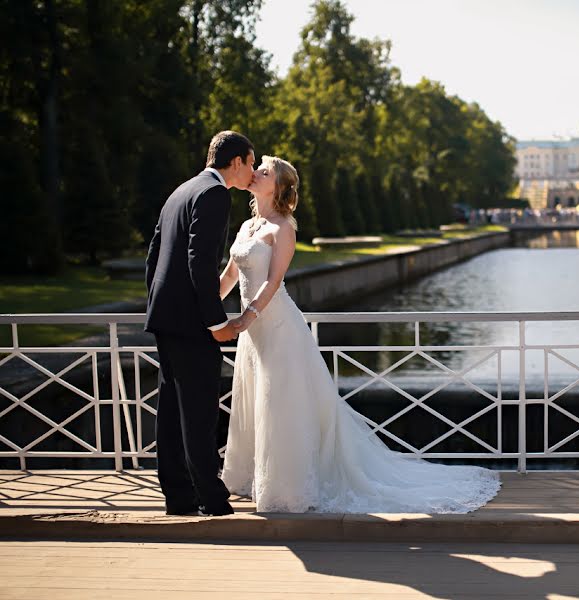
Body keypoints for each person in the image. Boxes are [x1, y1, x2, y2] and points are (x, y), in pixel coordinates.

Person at [219, 155, 501, 513]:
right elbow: (230, 275)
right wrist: (208, 304)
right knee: (255, 401)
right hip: (252, 332)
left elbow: (274, 282)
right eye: (257, 169)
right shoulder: (246, 227)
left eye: (265, 172)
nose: (256, 174)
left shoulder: (284, 228)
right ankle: (253, 477)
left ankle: (286, 488)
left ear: (279, 187)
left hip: (276, 327)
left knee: (281, 404)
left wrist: (246, 318)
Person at [145, 131, 255, 516]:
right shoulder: (215, 194)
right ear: (236, 161)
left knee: (172, 410)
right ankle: (211, 498)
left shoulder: (182, 190)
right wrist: (216, 323)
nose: (252, 172)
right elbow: (199, 263)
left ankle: (178, 496)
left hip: (166, 315)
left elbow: (154, 256)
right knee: (199, 410)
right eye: (251, 163)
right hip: (192, 322)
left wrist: (157, 306)